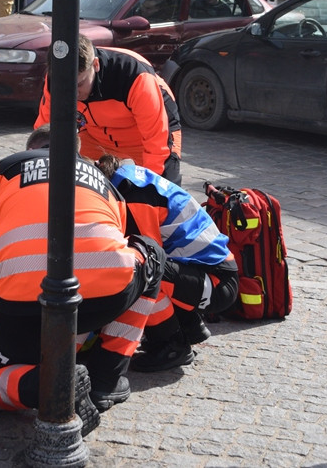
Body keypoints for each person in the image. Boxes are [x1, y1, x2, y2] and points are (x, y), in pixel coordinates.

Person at [0, 126, 164, 432]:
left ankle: (45, 385)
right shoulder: (104, 180)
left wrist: (7, 283)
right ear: (78, 152)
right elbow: (120, 240)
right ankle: (105, 379)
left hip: (22, 300)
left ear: (31, 148)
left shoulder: (6, 168)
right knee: (151, 254)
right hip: (105, 292)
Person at [95, 155, 238, 372]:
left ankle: (172, 346)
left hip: (216, 283)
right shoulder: (130, 180)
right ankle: (188, 326)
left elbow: (149, 255)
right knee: (149, 268)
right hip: (211, 274)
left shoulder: (134, 195)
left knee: (142, 271)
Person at [35, 34, 183, 184]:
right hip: (94, 134)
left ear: (96, 64)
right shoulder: (55, 80)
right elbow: (44, 134)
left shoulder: (133, 76)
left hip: (144, 136)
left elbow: (156, 143)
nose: (72, 94)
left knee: (163, 190)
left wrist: (153, 191)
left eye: (79, 84)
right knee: (61, 177)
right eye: (65, 87)